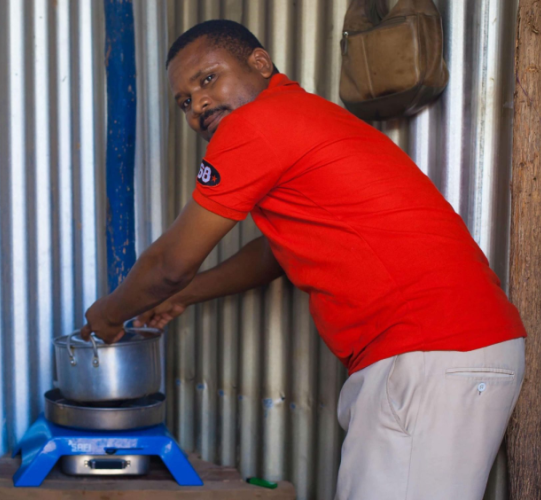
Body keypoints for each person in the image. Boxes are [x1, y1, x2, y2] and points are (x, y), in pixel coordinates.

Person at [80, 19, 526, 500]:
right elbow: (274, 254)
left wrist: (107, 315)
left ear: (260, 62)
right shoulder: (298, 116)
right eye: (184, 102)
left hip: (427, 351)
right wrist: (185, 295)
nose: (199, 105)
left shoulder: (254, 124)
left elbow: (170, 264)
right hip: (444, 351)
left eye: (208, 79)